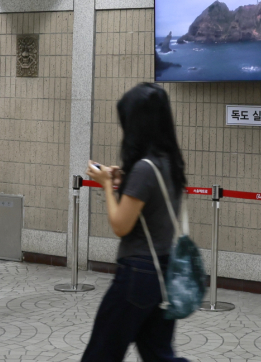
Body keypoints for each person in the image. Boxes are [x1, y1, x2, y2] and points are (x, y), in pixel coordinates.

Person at [82, 83, 188, 362]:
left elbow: (120, 225)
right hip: (165, 271)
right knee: (159, 354)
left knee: (100, 355)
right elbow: (149, 207)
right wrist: (123, 181)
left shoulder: (144, 168)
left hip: (138, 274)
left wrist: (105, 184)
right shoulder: (170, 162)